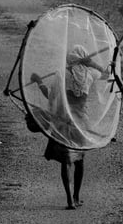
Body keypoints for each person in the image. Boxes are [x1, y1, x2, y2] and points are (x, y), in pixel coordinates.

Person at [30, 45, 109, 210]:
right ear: (84, 58)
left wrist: (39, 82)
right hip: (81, 123)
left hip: (64, 122)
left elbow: (51, 98)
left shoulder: (61, 74)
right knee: (79, 160)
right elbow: (107, 74)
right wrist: (91, 63)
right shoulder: (90, 74)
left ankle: (70, 200)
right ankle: (76, 197)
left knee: (66, 161)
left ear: (69, 58)